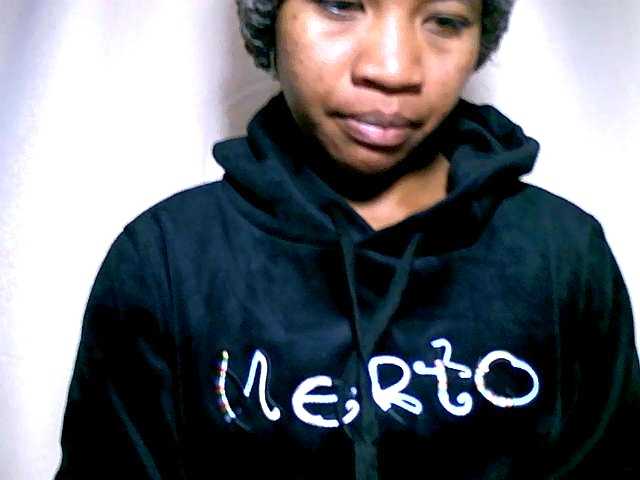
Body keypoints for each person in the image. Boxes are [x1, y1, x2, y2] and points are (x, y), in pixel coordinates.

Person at [55, 0, 640, 478]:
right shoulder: (165, 260)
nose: (393, 68)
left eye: (443, 20)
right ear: (270, 20)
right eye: (339, 5)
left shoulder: (563, 255)